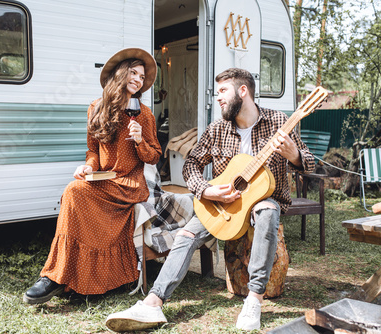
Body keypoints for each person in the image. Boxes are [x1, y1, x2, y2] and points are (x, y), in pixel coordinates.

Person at [105, 68, 315, 331]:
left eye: (223, 91)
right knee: (185, 236)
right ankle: (153, 302)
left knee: (267, 210)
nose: (218, 98)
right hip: (222, 204)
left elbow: (309, 163)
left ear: (243, 91)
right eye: (217, 93)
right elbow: (191, 164)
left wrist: (294, 154)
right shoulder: (217, 129)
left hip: (262, 203)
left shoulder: (278, 122)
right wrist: (206, 190)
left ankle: (254, 300)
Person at [23, 48, 162, 304]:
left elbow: (154, 156)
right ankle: (60, 276)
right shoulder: (96, 108)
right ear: (120, 74)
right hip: (105, 179)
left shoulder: (145, 114)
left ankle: (55, 278)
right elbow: (92, 150)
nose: (139, 80)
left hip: (130, 185)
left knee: (74, 192)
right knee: (75, 189)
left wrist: (141, 140)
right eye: (133, 73)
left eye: (142, 77)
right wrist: (88, 167)